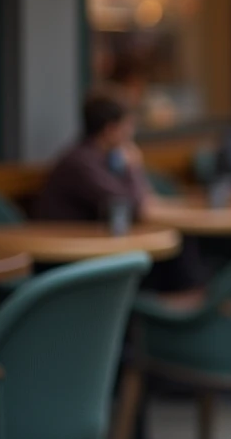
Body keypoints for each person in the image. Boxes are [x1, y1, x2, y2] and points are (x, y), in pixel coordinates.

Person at [35, 91, 209, 296]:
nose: (131, 132)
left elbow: (146, 200)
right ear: (110, 130)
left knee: (180, 241)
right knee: (177, 244)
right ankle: (177, 313)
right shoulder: (81, 162)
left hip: (103, 245)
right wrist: (133, 167)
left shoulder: (104, 157)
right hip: (70, 255)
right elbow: (134, 206)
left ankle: (179, 309)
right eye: (128, 125)